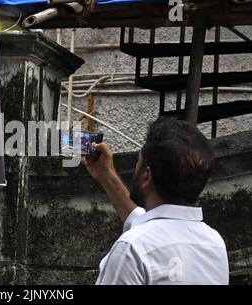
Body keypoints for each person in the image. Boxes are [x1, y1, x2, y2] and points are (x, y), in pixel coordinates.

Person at [82, 117, 229, 285]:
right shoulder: (215, 244)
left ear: (147, 175)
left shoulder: (131, 249)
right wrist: (106, 175)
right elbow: (146, 224)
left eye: (138, 162)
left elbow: (148, 234)